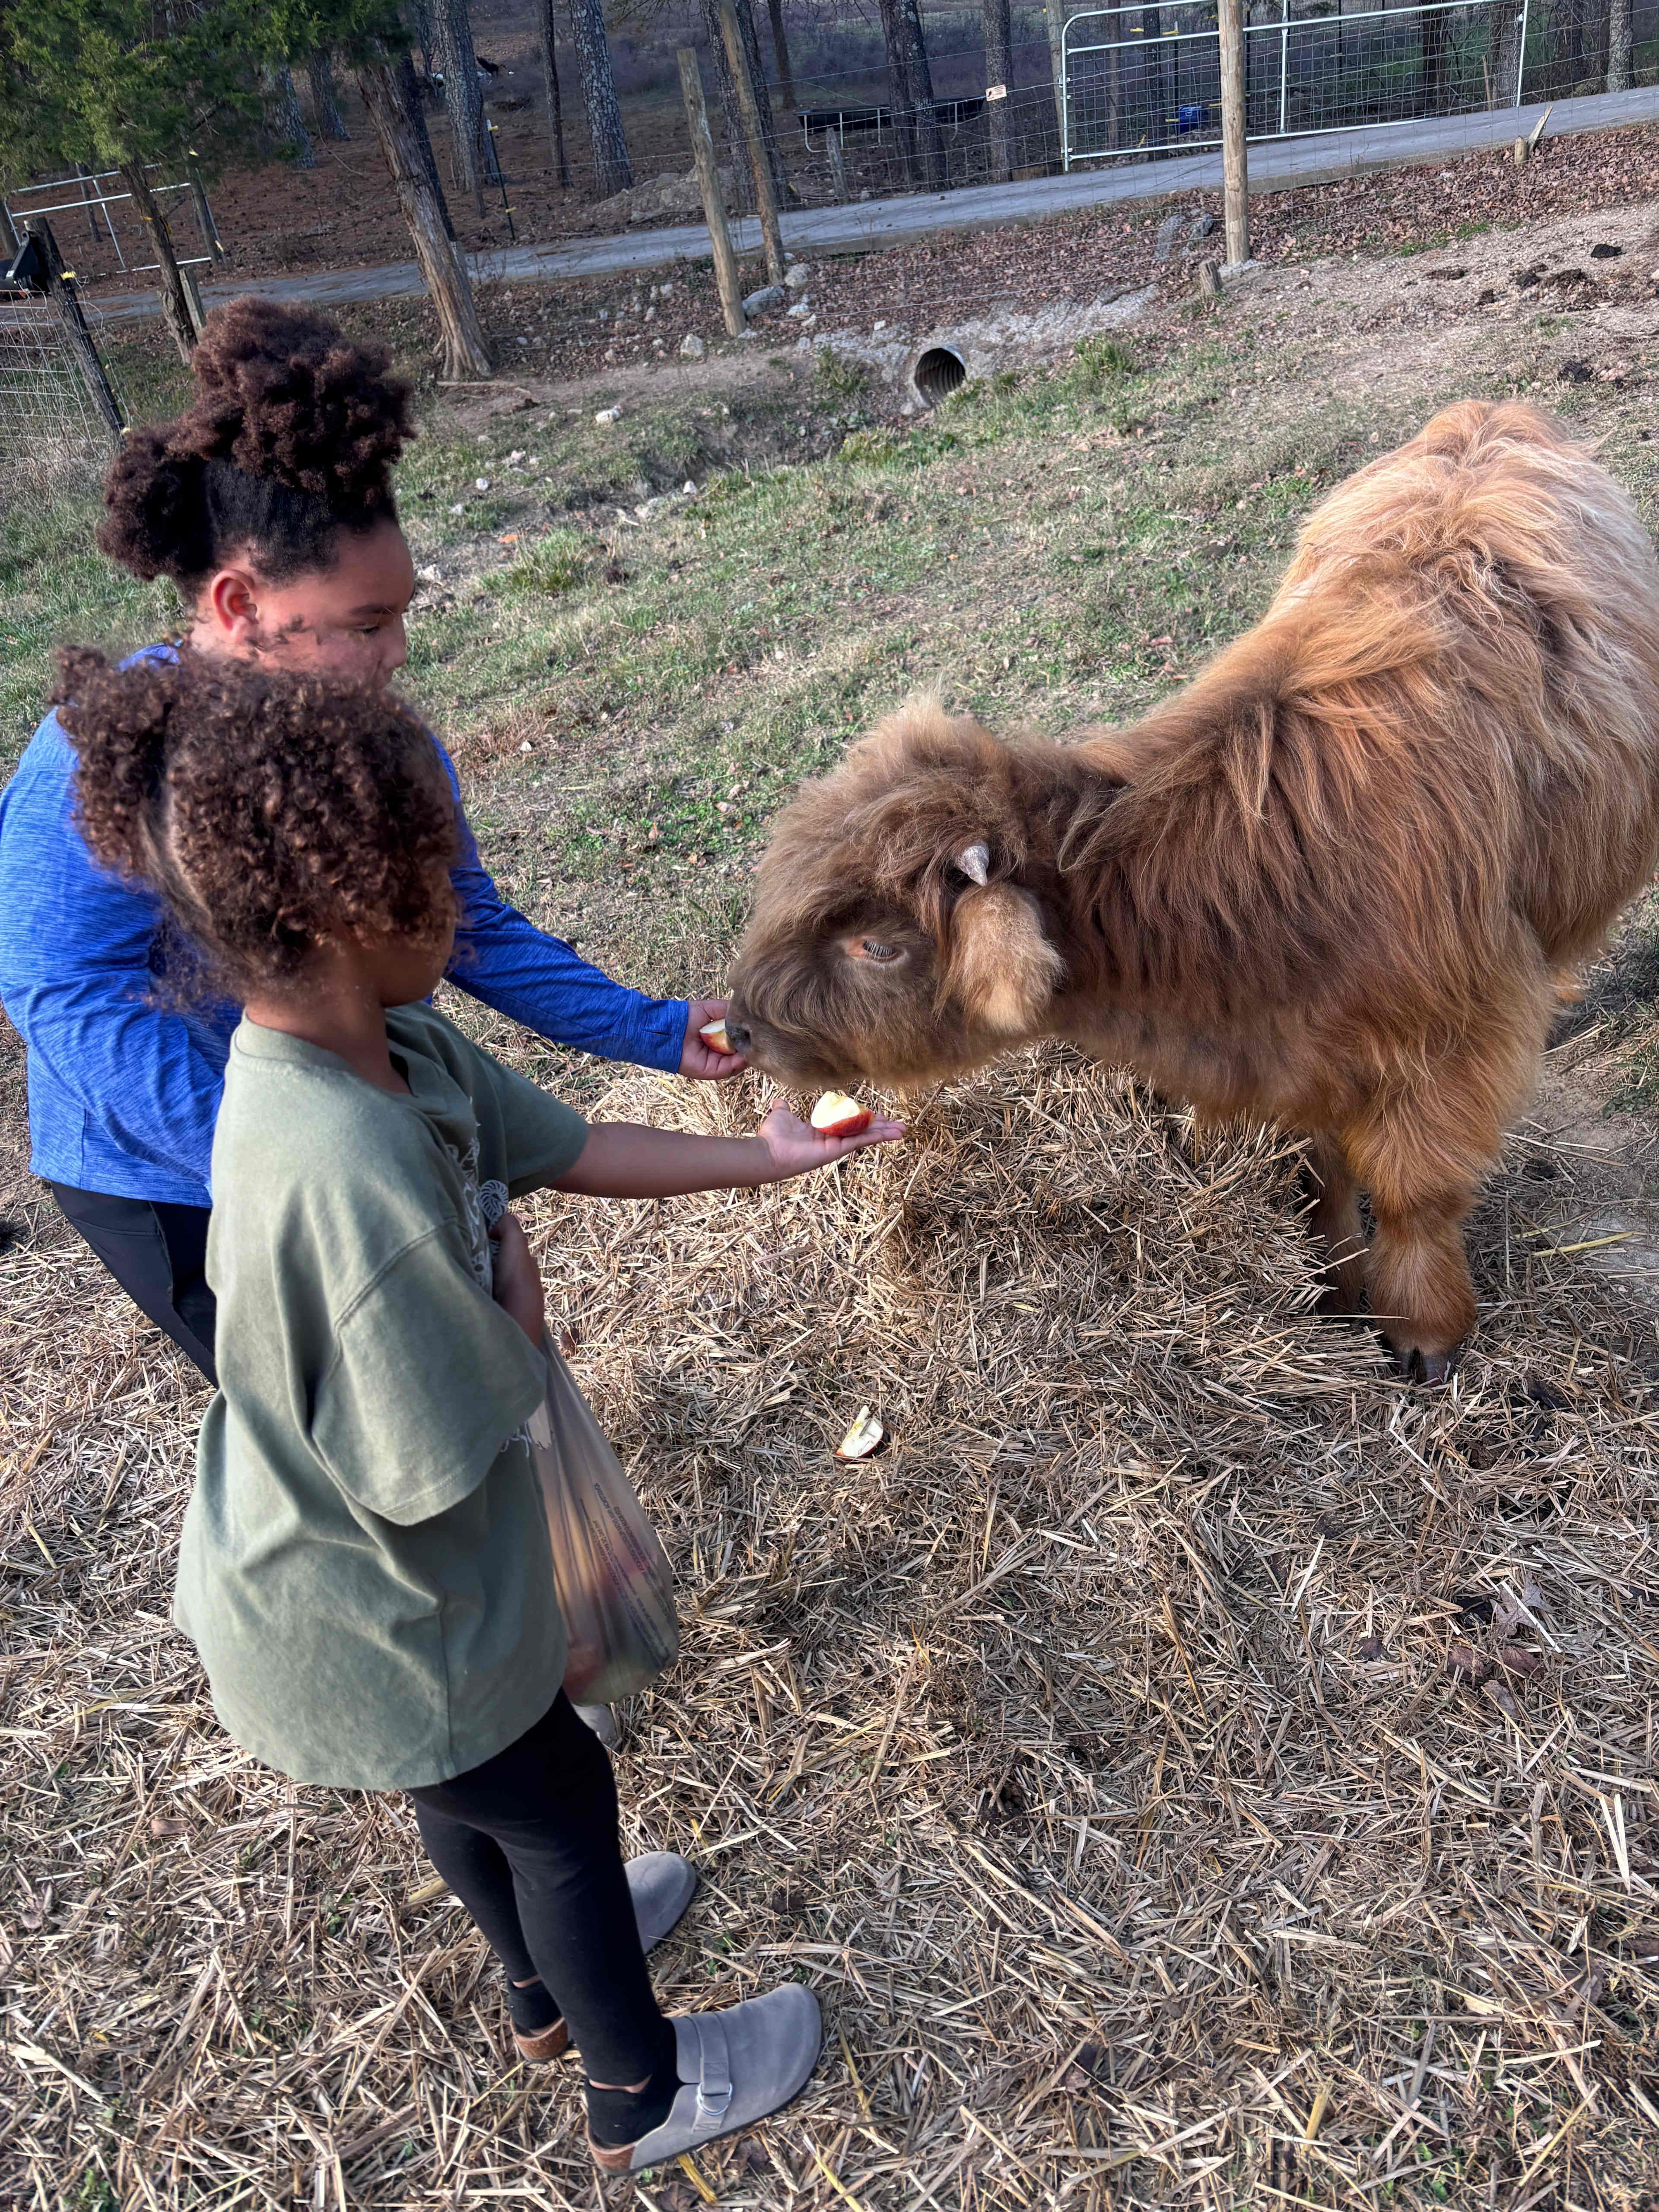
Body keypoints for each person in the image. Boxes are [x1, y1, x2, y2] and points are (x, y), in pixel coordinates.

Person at [53, 643, 904, 2173]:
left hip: (357, 1600)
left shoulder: (396, 1049)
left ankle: (536, 1986)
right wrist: (520, 1329)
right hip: (375, 1604)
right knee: (559, 1794)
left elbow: (565, 1148)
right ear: (334, 916)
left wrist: (768, 1161)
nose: (466, 899)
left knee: (477, 1797)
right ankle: (643, 2092)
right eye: (434, 878)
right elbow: (432, 1465)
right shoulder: (337, 1175)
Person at [0, 296, 740, 1386]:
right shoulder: (96, 764)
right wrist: (292, 1168)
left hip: (358, 1125)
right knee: (332, 1410)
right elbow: (64, 995)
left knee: (464, 1363)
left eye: (399, 616)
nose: (396, 654)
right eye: (362, 626)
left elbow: (470, 924)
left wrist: (658, 1031)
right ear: (238, 600)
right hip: (177, 1176)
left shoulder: (384, 751)